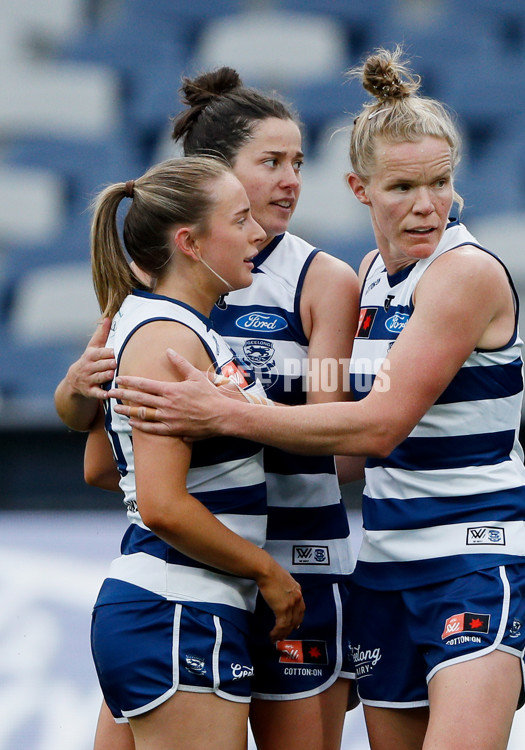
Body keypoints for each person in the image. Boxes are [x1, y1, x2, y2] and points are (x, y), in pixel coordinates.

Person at [107, 48, 525, 750]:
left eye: (441, 182)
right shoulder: (372, 274)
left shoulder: (463, 274)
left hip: (477, 557)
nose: (426, 203)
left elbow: (373, 430)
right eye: (403, 185)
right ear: (360, 188)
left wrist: (227, 413)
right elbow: (336, 436)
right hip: (382, 564)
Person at [54, 68, 359, 750]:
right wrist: (75, 394)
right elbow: (105, 458)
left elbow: (342, 443)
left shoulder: (324, 279)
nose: (290, 181)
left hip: (296, 566)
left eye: (299, 163)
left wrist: (231, 419)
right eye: (270, 162)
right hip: (202, 571)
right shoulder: (170, 293)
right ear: (213, 178)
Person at [85, 155, 305, 750]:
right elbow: (159, 503)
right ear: (189, 242)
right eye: (239, 220)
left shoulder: (162, 321)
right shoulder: (169, 338)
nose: (258, 232)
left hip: (164, 606)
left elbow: (100, 465)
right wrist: (268, 573)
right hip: (179, 609)